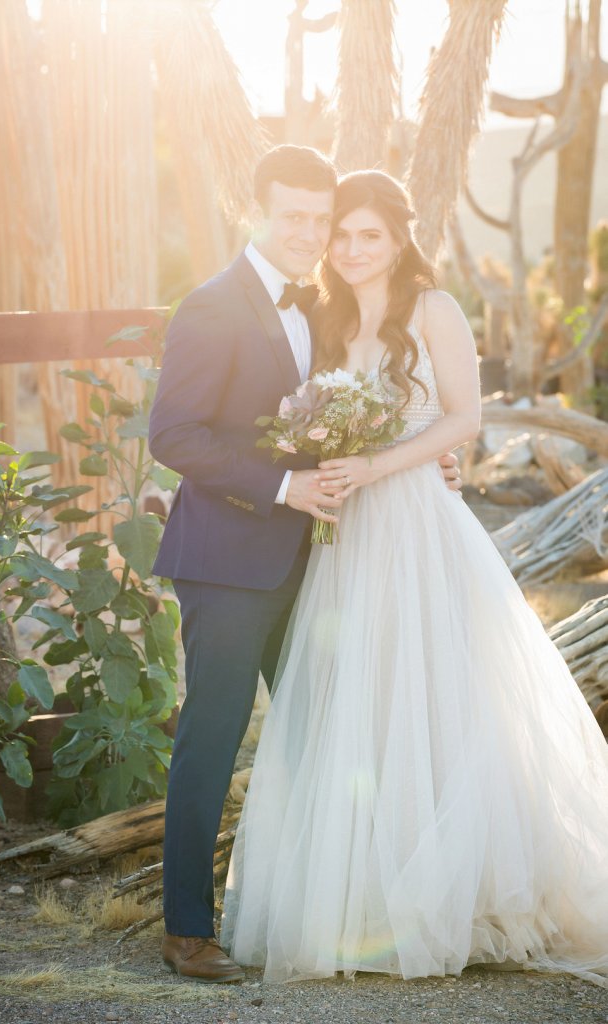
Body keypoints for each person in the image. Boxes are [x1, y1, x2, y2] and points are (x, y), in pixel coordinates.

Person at [221, 170, 608, 988]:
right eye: (343, 235)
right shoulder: (323, 314)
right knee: (361, 694)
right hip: (346, 532)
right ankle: (370, 893)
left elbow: (463, 417)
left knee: (440, 691)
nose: (354, 249)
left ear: (398, 239)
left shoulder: (432, 309)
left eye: (370, 235)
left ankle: (464, 896)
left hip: (417, 525)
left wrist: (384, 463)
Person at [148, 148, 461, 983]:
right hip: (226, 557)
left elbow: (361, 413)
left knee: (325, 734)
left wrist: (424, 457)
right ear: (256, 211)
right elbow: (172, 435)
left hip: (322, 562)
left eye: (318, 219)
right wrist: (283, 484)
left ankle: (334, 908)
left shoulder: (326, 308)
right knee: (212, 738)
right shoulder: (211, 306)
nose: (308, 233)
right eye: (291, 216)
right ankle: (187, 928)